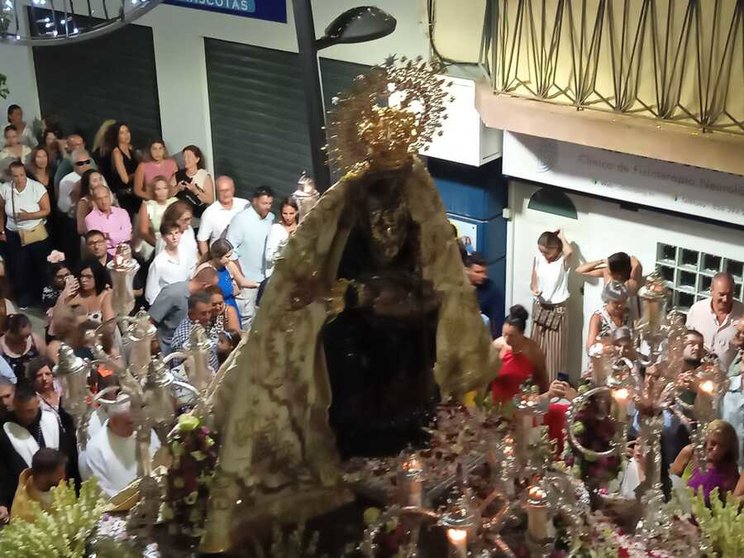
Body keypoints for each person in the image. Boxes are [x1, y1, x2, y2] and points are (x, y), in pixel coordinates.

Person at [0, 383, 78, 513]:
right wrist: (2, 502)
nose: (26, 416)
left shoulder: (51, 420)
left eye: (30, 411)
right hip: (28, 503)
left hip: (60, 492)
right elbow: (2, 472)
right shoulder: (6, 433)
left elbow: (68, 454)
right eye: (21, 411)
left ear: (37, 403)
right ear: (15, 406)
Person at [83, 394, 160, 498]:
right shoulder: (95, 448)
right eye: (130, 423)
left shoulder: (144, 431)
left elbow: (159, 461)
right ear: (114, 421)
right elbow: (104, 491)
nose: (136, 427)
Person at [0, 161, 51, 307]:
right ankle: (24, 296)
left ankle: (42, 296)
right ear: (11, 176)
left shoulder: (36, 187)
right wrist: (2, 230)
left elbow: (46, 210)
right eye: (15, 176)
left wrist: (29, 216)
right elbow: (1, 210)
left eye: (21, 175)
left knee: (39, 266)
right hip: (14, 234)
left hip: (34, 233)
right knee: (20, 266)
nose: (19, 178)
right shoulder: (5, 188)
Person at [227, 186, 275, 328]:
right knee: (247, 319)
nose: (267, 207)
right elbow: (231, 250)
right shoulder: (240, 220)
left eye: (270, 204)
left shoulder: (272, 219)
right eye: (264, 203)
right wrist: (241, 278)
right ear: (254, 201)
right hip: (247, 282)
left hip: (266, 280)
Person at [530, 230, 572, 381]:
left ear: (556, 249)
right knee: (536, 348)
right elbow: (533, 281)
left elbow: (569, 251)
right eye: (541, 251)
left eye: (547, 252)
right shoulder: (538, 258)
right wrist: (534, 290)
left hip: (557, 309)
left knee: (555, 352)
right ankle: (535, 384)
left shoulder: (562, 261)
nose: (544, 255)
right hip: (540, 306)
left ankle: (553, 387)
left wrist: (561, 236)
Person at [149, 267, 218, 354]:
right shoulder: (172, 293)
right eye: (211, 288)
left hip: (192, 349)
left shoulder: (201, 299)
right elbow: (149, 322)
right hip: (167, 352)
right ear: (206, 286)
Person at [671, 419, 739, 505]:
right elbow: (670, 482)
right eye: (713, 443)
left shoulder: (730, 469)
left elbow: (731, 502)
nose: (715, 449)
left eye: (721, 446)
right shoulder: (690, 452)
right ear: (706, 439)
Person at [686, 272, 744, 371]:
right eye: (721, 294)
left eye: (729, 294)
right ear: (711, 291)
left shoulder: (742, 313)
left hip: (725, 378)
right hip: (694, 373)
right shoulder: (697, 310)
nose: (725, 299)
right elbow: (685, 340)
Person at [194, 238, 255, 321]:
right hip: (215, 310)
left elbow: (242, 281)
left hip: (230, 305)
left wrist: (259, 285)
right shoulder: (205, 269)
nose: (229, 259)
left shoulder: (229, 265)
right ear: (217, 257)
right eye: (227, 256)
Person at [11, 448, 67, 522]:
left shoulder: (60, 485)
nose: (64, 476)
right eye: (59, 474)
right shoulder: (22, 507)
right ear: (43, 477)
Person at [196, 176, 248, 255]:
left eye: (227, 190)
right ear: (217, 192)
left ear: (233, 189)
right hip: (221, 259)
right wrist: (208, 262)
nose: (225, 194)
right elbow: (202, 240)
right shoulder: (209, 213)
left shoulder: (245, 205)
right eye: (221, 191)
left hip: (244, 255)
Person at [145, 221, 192, 305]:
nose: (174, 237)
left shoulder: (185, 255)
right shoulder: (159, 262)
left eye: (176, 233)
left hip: (185, 302)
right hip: (167, 305)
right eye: (170, 234)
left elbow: (189, 277)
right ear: (163, 237)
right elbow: (150, 293)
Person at [54, 260, 114, 325]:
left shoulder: (106, 294)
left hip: (99, 334)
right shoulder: (74, 294)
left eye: (89, 277)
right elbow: (57, 321)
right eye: (82, 276)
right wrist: (63, 295)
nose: (83, 280)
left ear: (98, 277)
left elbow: (109, 325)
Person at [170, 291, 219, 372]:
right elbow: (185, 372)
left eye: (209, 312)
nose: (207, 317)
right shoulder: (184, 338)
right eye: (203, 313)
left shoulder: (202, 323)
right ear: (191, 314)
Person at [136, 175, 177, 259]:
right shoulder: (148, 206)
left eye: (165, 188)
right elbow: (144, 232)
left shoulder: (175, 202)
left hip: (176, 240)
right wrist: (159, 246)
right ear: (153, 191)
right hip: (155, 242)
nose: (162, 192)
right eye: (158, 189)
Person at [104, 122, 140, 217]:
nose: (126, 135)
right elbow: (125, 179)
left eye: (127, 131)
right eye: (122, 133)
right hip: (125, 196)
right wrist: (140, 172)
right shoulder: (117, 153)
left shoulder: (131, 149)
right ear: (117, 136)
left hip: (136, 191)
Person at [83, 185, 132, 256]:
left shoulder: (122, 212)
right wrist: (119, 237)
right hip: (106, 256)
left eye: (106, 197)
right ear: (94, 201)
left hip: (125, 253)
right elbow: (99, 243)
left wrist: (107, 235)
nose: (104, 201)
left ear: (110, 197)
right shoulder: (90, 219)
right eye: (99, 199)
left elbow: (127, 236)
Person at [171, 145, 214, 218]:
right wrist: (177, 189)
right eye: (184, 157)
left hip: (197, 214)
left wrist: (195, 190)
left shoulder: (204, 176)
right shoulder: (178, 175)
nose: (186, 159)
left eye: (189, 157)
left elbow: (210, 200)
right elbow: (166, 194)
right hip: (178, 213)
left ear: (197, 159)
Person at [466, 252, 502, 337]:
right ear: (467, 271)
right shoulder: (458, 289)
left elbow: (497, 321)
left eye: (484, 272)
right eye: (478, 272)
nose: (483, 276)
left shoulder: (492, 290)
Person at [0, 314, 45, 381]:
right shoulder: (1, 347)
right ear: (8, 333)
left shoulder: (36, 341)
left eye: (27, 335)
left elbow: (46, 363)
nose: (26, 340)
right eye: (21, 337)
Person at [586, 280, 629, 350]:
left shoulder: (629, 314)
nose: (620, 305)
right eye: (616, 302)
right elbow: (591, 346)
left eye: (623, 301)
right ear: (608, 299)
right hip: (606, 357)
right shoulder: (598, 317)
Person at [264, 197, 298, 279]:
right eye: (285, 213)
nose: (288, 217)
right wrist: (283, 247)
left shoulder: (301, 229)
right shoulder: (276, 229)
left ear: (297, 212)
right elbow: (268, 256)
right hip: (278, 276)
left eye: (291, 213)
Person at [159, 200, 198, 267]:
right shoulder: (166, 239)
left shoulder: (189, 230)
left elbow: (194, 252)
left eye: (190, 218)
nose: (188, 223)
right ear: (174, 220)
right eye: (185, 219)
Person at [75, 169, 110, 235]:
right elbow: (81, 228)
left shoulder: (107, 197)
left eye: (100, 179)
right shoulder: (84, 202)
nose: (99, 183)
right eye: (95, 181)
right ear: (88, 184)